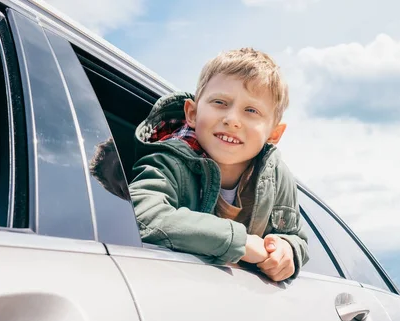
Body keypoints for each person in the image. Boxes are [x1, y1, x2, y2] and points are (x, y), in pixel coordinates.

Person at [129, 48, 308, 281]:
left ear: (274, 133)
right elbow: (141, 215)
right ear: (191, 113)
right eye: (220, 102)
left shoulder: (278, 177)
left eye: (251, 110)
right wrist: (239, 241)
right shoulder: (169, 160)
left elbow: (295, 236)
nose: (232, 119)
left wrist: (287, 250)